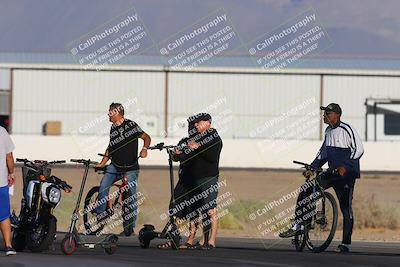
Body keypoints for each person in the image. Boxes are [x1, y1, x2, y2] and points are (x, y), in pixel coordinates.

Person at [279, 103, 364, 253]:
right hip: (332, 173)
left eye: (327, 114)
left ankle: (345, 244)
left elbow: (359, 150)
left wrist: (346, 166)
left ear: (336, 115)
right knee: (306, 189)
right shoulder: (328, 131)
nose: (324, 116)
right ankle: (299, 225)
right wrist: (311, 167)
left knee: (346, 209)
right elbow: (323, 153)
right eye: (324, 114)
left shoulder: (347, 129)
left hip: (346, 175)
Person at [93, 103, 151, 235]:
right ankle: (101, 216)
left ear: (117, 113)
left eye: (110, 112)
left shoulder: (131, 125)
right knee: (103, 186)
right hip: (115, 166)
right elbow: (111, 147)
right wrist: (102, 163)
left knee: (130, 195)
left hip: (130, 167)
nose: (108, 114)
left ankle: (129, 228)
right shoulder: (113, 128)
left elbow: (146, 137)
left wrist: (145, 149)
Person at [181, 113, 223, 250]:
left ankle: (211, 241)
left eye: (198, 123)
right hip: (194, 179)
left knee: (211, 210)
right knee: (195, 210)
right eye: (195, 123)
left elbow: (212, 156)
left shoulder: (214, 138)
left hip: (208, 177)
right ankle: (196, 239)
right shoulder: (196, 138)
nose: (195, 125)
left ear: (207, 123)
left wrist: (197, 147)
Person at [0, 126, 16, 256]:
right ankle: (8, 246)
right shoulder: (2, 131)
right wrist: (11, 173)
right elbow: (9, 157)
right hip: (0, 182)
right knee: (4, 215)